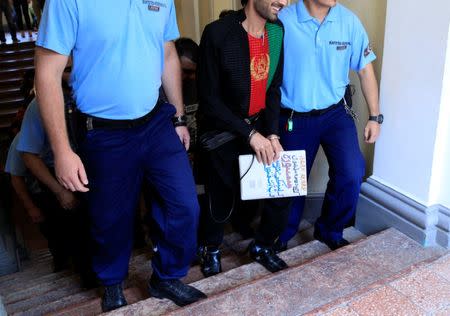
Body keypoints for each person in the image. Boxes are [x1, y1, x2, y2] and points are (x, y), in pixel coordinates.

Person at [35, 0, 205, 312]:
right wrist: (62, 150)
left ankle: (166, 277)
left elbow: (167, 51)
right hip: (103, 131)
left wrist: (178, 117)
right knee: (110, 218)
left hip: (156, 122)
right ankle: (112, 283)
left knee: (184, 205)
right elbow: (47, 73)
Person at [273, 0, 382, 252]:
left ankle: (330, 229)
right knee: (290, 184)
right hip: (293, 117)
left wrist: (375, 117)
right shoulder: (283, 21)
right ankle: (281, 235)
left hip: (335, 114)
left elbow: (365, 70)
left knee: (352, 172)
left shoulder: (349, 21)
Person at [196, 0, 292, 278]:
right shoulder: (217, 33)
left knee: (280, 186)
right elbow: (209, 100)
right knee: (221, 194)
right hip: (223, 129)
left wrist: (272, 133)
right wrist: (249, 134)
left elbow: (273, 88)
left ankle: (263, 246)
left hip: (261, 126)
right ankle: (210, 247)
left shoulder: (276, 32)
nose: (284, 2)